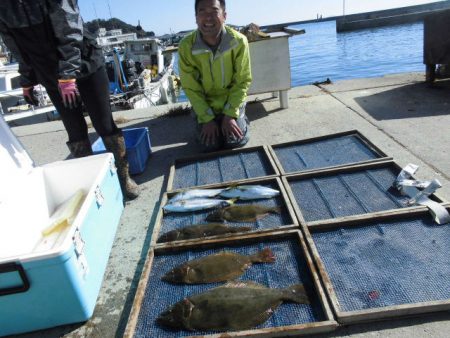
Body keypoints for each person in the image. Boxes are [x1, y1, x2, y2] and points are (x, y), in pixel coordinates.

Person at [0, 0, 139, 200]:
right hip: (50, 73)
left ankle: (124, 178)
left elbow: (70, 31)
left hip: (85, 62)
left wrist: (67, 75)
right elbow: (15, 47)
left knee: (104, 123)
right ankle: (92, 182)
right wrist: (27, 79)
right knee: (74, 130)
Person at [178, 0, 252, 152]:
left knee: (234, 141)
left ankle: (240, 118)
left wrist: (230, 115)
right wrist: (207, 119)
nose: (208, 17)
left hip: (231, 103)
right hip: (206, 106)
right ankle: (206, 121)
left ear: (224, 16)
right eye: (202, 11)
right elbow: (190, 88)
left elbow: (242, 81)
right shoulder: (186, 46)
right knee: (209, 145)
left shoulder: (238, 42)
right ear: (196, 17)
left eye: (214, 11)